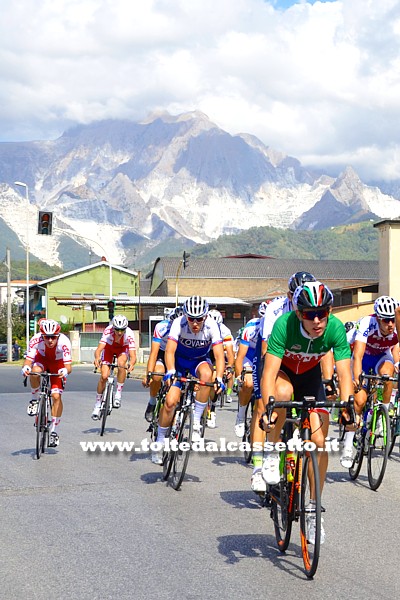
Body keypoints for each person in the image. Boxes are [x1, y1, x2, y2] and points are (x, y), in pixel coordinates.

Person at [257, 281, 353, 545]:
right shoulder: (284, 325)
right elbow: (268, 373)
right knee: (283, 394)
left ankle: (312, 510)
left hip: (311, 379)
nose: (318, 320)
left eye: (323, 312)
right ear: (299, 313)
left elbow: (344, 373)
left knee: (319, 443)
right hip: (284, 374)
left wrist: (347, 406)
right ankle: (272, 451)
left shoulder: (333, 328)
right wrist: (269, 407)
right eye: (310, 314)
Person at [151, 295, 225, 464]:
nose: (195, 323)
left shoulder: (212, 326)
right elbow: (169, 351)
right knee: (170, 402)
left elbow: (219, 356)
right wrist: (170, 370)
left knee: (207, 375)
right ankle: (160, 442)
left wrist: (219, 377)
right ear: (185, 316)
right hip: (178, 362)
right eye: (191, 318)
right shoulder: (178, 323)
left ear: (205, 316)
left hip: (199, 361)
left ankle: (197, 423)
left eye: (199, 319)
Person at [340, 295, 399, 468]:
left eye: (393, 320)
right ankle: (348, 445)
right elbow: (357, 356)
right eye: (386, 320)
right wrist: (357, 380)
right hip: (363, 358)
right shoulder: (367, 323)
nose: (390, 324)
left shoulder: (396, 329)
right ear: (378, 318)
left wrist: (397, 363)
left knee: (388, 375)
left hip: (381, 357)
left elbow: (396, 349)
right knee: (359, 400)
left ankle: (383, 415)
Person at [21, 319, 72, 447]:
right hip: (42, 360)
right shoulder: (36, 340)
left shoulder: (65, 342)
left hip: (58, 364)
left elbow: (69, 366)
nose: (50, 340)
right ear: (42, 336)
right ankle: (34, 400)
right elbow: (28, 360)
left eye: (53, 337)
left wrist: (65, 370)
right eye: (47, 337)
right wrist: (26, 367)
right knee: (34, 372)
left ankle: (54, 431)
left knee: (56, 397)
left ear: (58, 336)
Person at [142, 306, 183, 422]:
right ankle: (152, 402)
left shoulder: (188, 330)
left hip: (178, 355)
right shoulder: (161, 327)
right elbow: (154, 353)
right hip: (162, 353)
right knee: (157, 374)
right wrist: (148, 374)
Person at [92, 315, 136, 419]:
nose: (120, 333)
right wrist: (97, 358)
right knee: (104, 376)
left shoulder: (129, 334)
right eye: (117, 330)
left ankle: (118, 394)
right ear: (113, 327)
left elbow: (133, 355)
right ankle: (97, 404)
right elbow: (99, 349)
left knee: (121, 364)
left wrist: (132, 363)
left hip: (122, 349)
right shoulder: (108, 331)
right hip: (109, 349)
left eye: (122, 330)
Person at [206, 309, 235, 428]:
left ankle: (212, 409)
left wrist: (230, 367)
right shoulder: (205, 327)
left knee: (214, 379)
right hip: (207, 352)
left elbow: (230, 352)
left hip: (219, 354)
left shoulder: (225, 331)